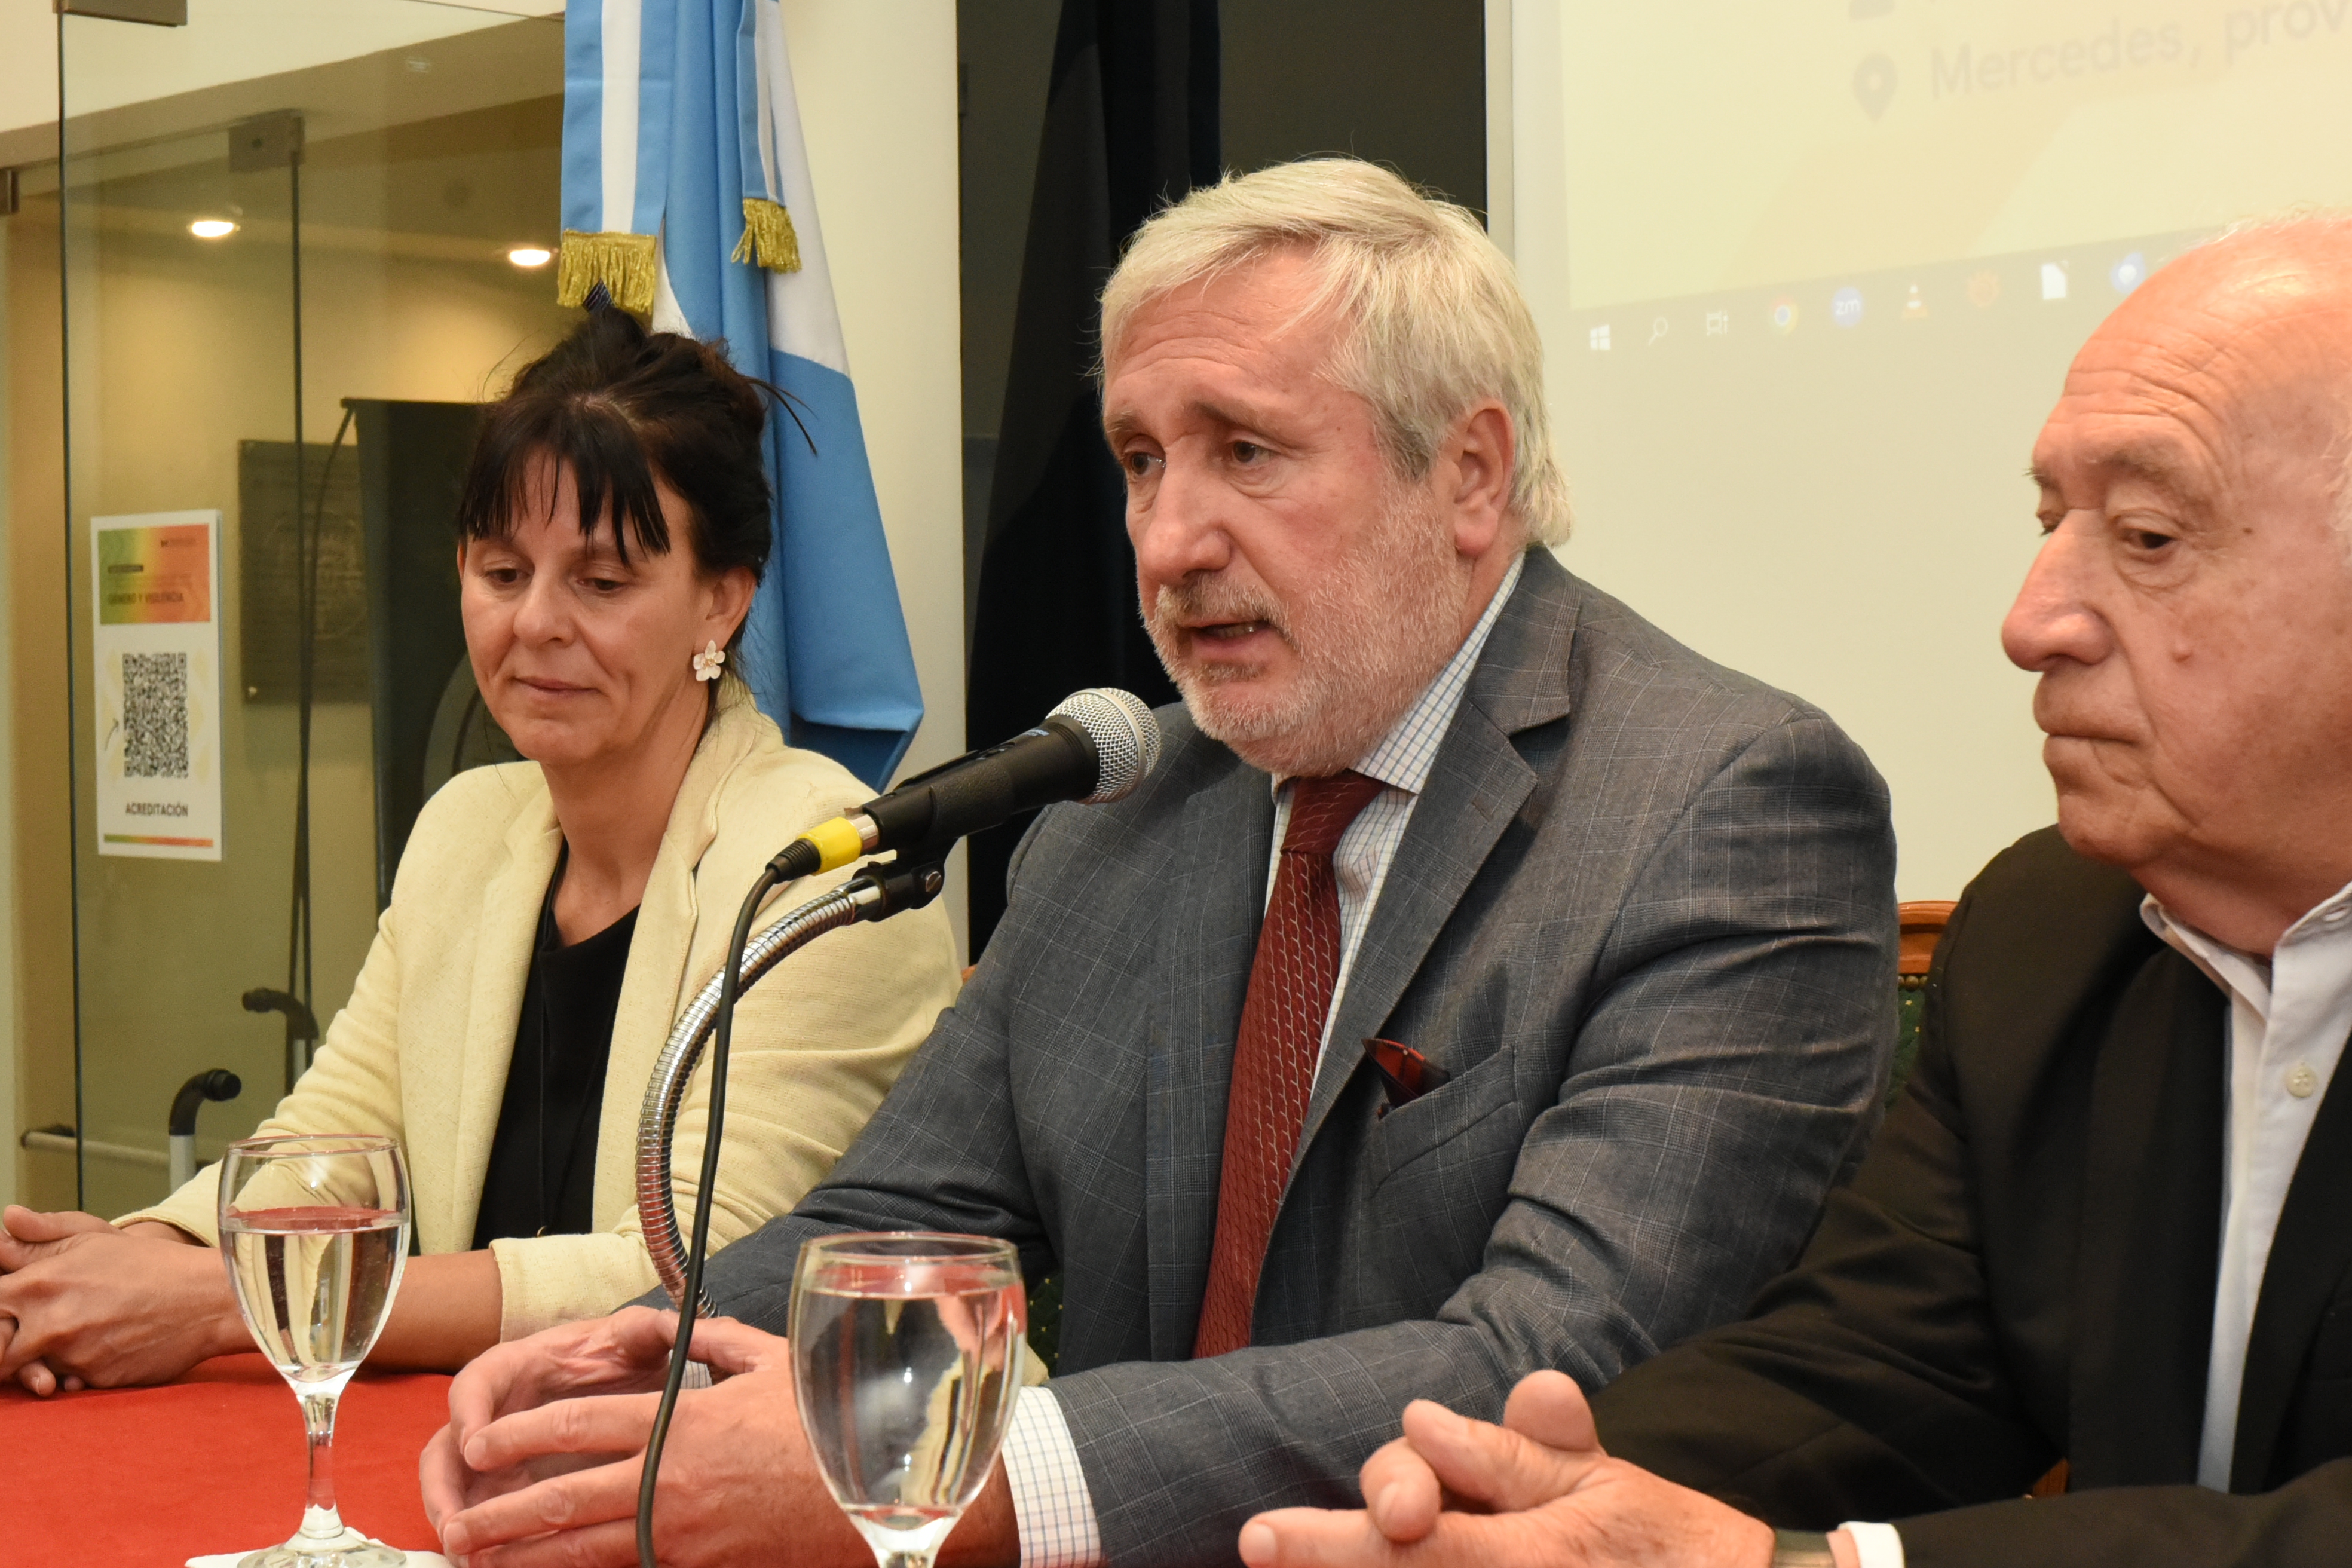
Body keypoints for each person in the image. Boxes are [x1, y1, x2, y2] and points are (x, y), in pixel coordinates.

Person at [418, 157, 1899, 1568]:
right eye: (1141, 460)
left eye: (1245, 451)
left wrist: (968, 1466)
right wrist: (623, 1361)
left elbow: (1547, 1362)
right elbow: (890, 1228)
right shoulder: (1120, 812)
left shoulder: (1723, 807)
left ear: (1468, 472)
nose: (1171, 540)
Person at [1233, 215, 2352, 1568]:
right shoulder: (2053, 934)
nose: (2032, 620)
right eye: (2051, 523)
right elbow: (1879, 1365)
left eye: (2152, 535)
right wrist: (1536, 1508)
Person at [0, 307, 961, 1395]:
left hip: (770, 1466)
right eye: (503, 573)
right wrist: (125, 1261)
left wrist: (224, 1298)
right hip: (487, 1449)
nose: (536, 623)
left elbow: (694, 1272)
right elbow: (331, 1145)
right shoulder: (465, 830)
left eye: (601, 584)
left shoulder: (823, 870)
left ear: (721, 604)